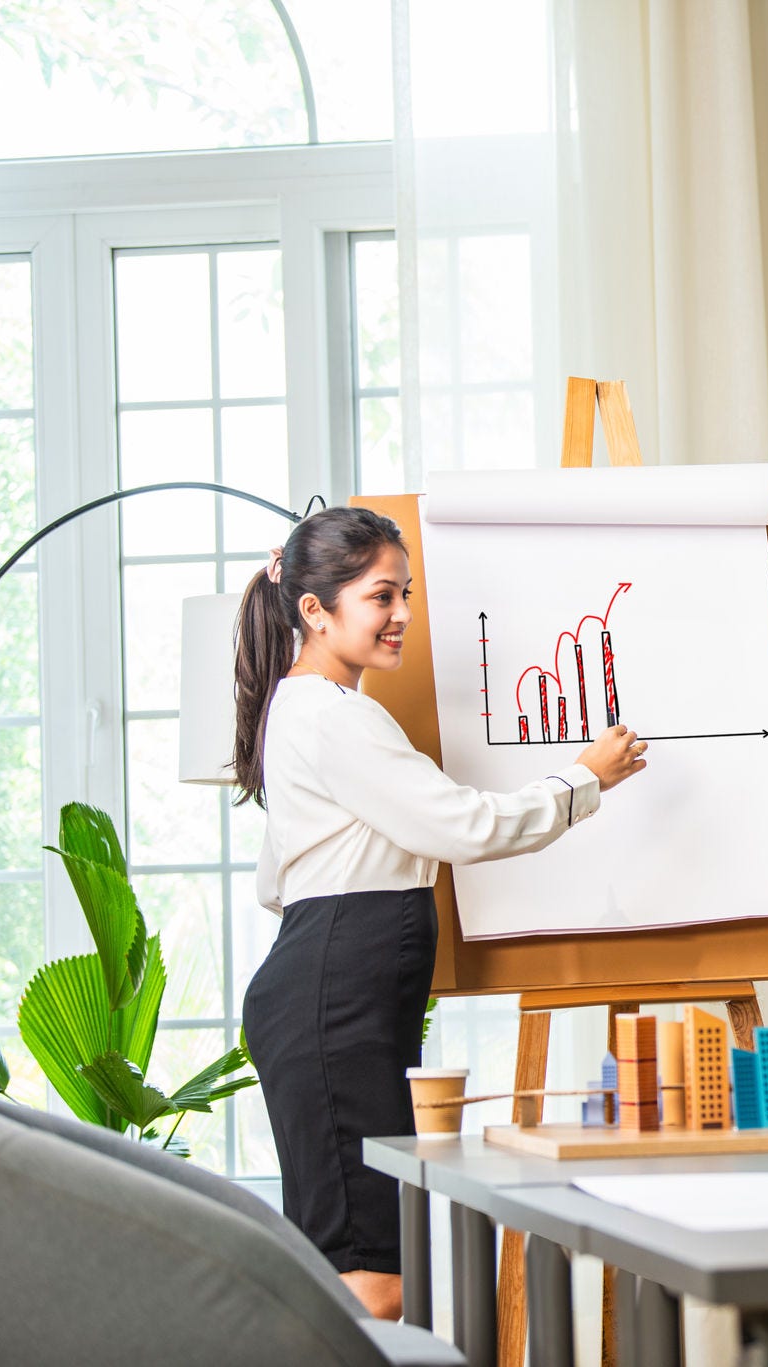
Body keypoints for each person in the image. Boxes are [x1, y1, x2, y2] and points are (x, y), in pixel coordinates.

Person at [235, 507, 646, 1320]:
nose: (402, 616)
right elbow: (464, 825)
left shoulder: (318, 710)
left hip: (341, 998)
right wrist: (584, 777)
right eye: (381, 596)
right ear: (315, 609)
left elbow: (277, 878)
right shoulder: (329, 714)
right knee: (371, 1273)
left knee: (366, 1259)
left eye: (406, 594)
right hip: (336, 1004)